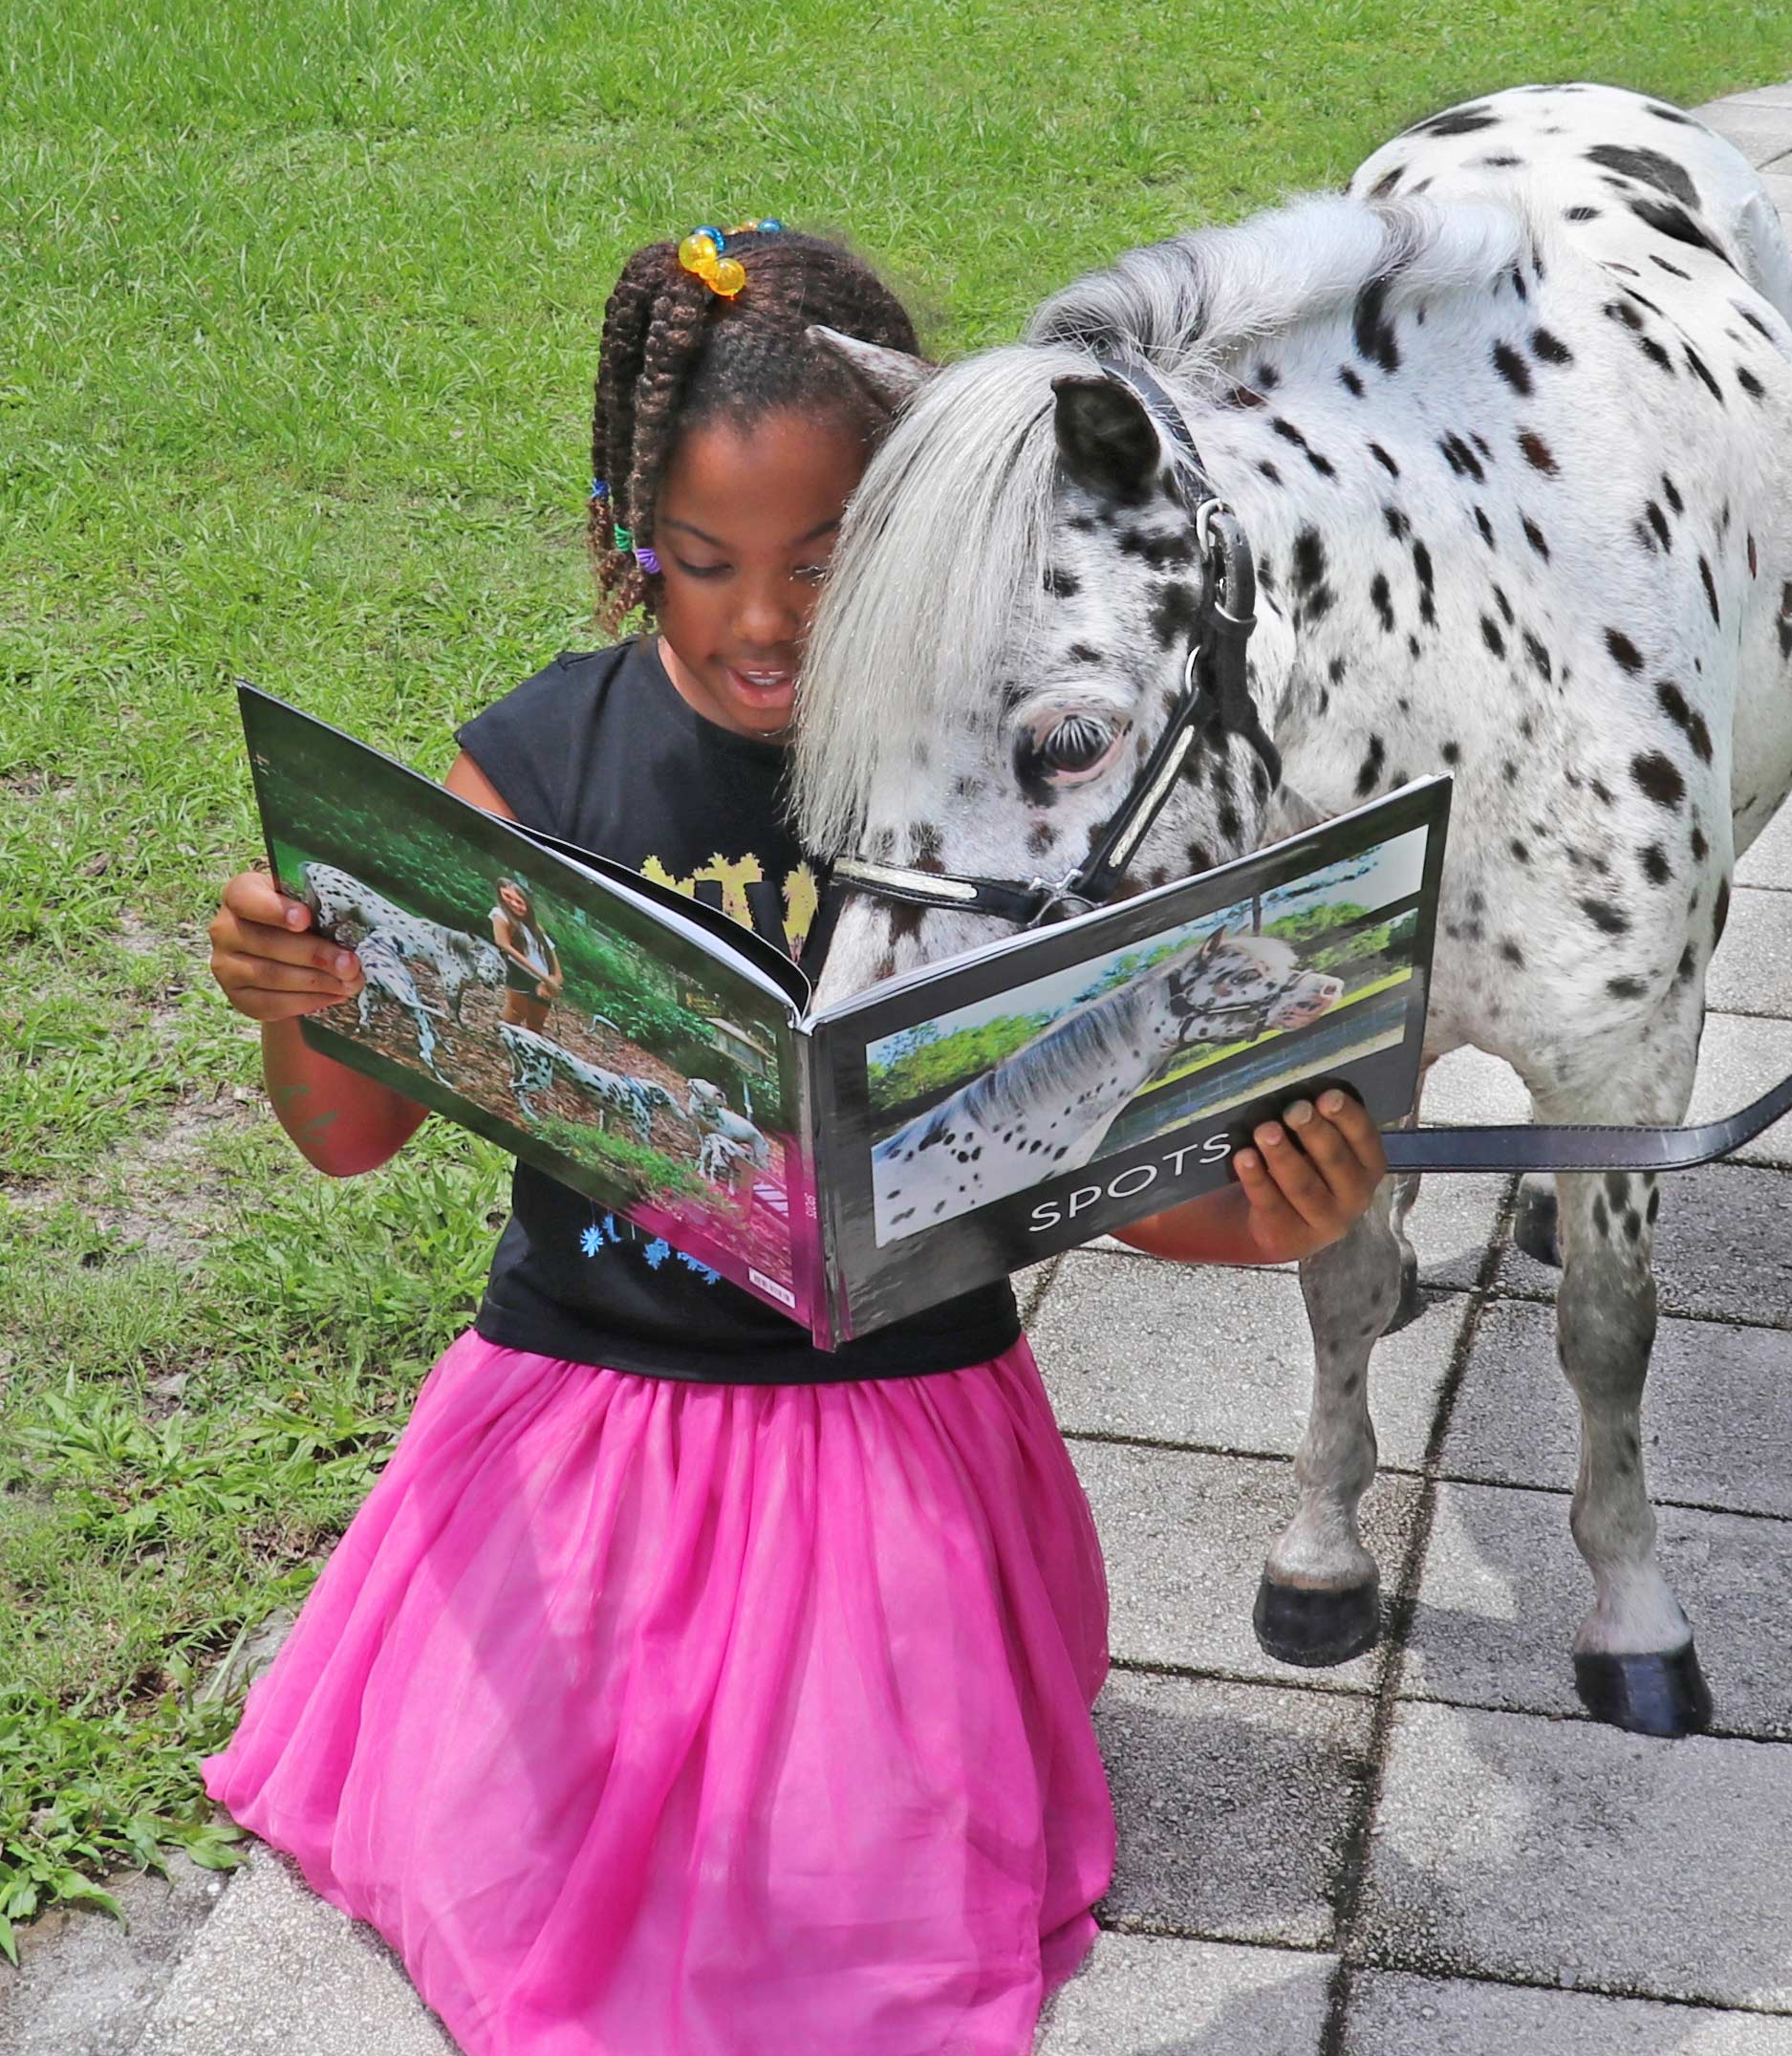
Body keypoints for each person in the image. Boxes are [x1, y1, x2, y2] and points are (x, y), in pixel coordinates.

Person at [201, 221, 1391, 2056]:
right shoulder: (535, 761)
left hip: (895, 1440)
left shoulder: (995, 795)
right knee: (525, 1846)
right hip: (584, 1426)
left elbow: (1114, 1189)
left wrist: (1276, 1212)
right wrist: (296, 995)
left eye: (824, 562)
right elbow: (349, 1135)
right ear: (629, 544)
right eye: (700, 563)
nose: (759, 619)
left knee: (862, 1902)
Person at [488, 875, 562, 1029]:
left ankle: (529, 1050)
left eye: (519, 901)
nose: (513, 904)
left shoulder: (535, 927)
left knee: (537, 1020)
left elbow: (551, 954)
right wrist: (544, 978)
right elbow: (503, 943)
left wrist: (553, 980)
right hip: (520, 974)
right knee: (516, 1013)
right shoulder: (500, 915)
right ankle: (502, 1042)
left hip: (544, 980)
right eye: (507, 897)